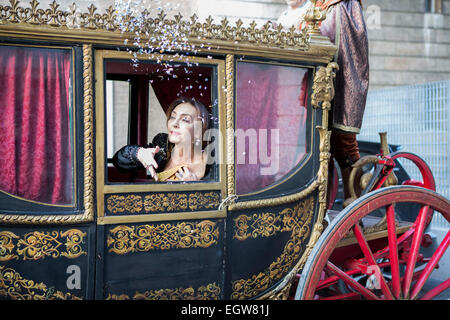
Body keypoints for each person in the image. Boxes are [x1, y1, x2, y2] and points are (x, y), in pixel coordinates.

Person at [278, 0, 369, 202]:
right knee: (318, 148)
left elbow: (336, 44)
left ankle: (354, 210)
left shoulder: (343, 6)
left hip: (335, 86)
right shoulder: (315, 8)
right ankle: (319, 212)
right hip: (314, 88)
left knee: (344, 146)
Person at [113, 97, 211, 182]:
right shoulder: (162, 147)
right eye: (172, 117)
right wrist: (138, 153)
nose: (174, 124)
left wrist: (196, 188)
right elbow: (119, 161)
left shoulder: (210, 163)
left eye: (185, 119)